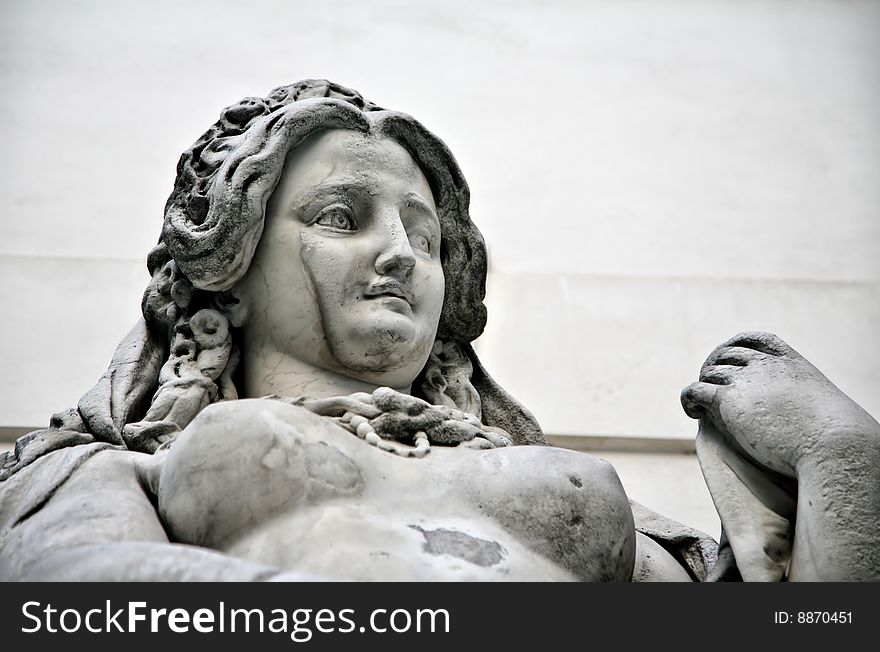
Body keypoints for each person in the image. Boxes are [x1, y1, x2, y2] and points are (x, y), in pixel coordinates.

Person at [1, 80, 877, 582]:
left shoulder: (595, 507)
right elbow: (72, 597)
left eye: (425, 237)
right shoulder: (109, 466)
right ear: (227, 275)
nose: (401, 257)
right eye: (341, 217)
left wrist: (840, 460)